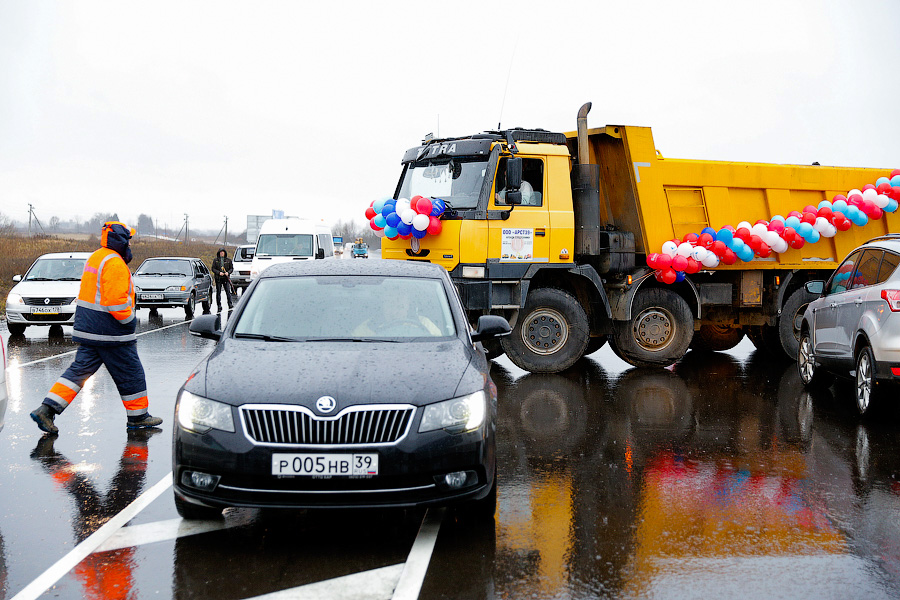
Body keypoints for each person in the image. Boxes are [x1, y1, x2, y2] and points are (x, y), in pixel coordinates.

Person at [29, 221, 163, 434]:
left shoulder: (97, 257)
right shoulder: (115, 263)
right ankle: (138, 417)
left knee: (78, 371)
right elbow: (116, 301)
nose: (130, 244)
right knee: (131, 372)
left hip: (90, 328)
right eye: (128, 240)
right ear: (120, 240)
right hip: (111, 332)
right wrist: (129, 321)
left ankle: (46, 410)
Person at [353, 293, 441, 336]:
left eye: (400, 307)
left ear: (407, 308)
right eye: (390, 306)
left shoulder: (424, 324)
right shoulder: (367, 328)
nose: (395, 312)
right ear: (383, 307)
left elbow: (440, 345)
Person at [210, 247, 234, 312]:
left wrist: (228, 272)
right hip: (218, 279)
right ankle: (219, 306)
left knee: (228, 292)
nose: (222, 253)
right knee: (218, 292)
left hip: (226, 279)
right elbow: (213, 269)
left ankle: (230, 304)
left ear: (225, 253)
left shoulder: (228, 260)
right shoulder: (216, 260)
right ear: (219, 253)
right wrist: (218, 273)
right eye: (220, 252)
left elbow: (231, 268)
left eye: (223, 252)